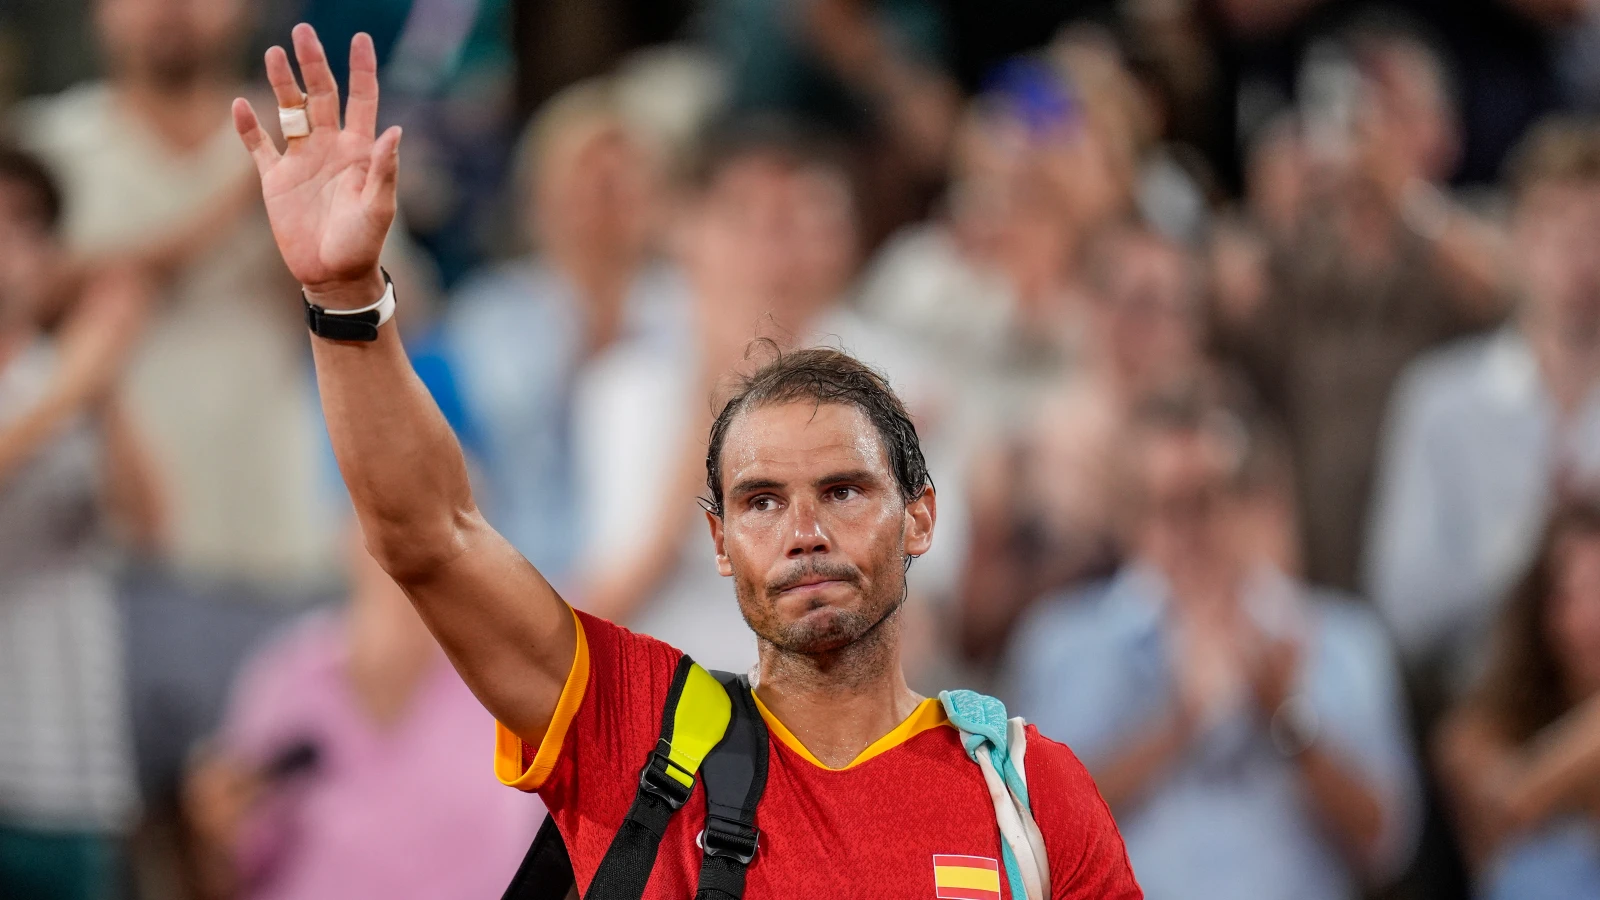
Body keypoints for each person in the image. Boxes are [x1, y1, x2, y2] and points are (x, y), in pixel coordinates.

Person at [230, 24, 1141, 898]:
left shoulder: (1027, 792)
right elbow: (430, 537)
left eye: (844, 489)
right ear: (715, 538)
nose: (805, 531)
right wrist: (346, 296)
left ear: (922, 516)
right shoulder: (633, 729)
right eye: (759, 502)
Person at [1003, 388, 1421, 900]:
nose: (1187, 534)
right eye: (1164, 508)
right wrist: (1180, 724)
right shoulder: (1064, 641)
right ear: (1128, 516)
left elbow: (1387, 843)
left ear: (1260, 503)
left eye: (1206, 502)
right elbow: (1031, 835)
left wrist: (1287, 718)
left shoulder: (1340, 638)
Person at [1212, 22, 1507, 594]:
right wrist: (1268, 211)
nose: (1367, 137)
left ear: (1445, 134)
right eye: (1353, 116)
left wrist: (1402, 194)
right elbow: (1231, 312)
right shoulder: (1299, 256)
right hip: (1312, 559)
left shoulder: (1463, 235)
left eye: (1394, 114)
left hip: (1435, 561)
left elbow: (1504, 293)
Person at [1366, 117, 1600, 697]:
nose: (1579, 259)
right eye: (1557, 230)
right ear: (1518, 239)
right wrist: (1531, 546)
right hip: (1482, 705)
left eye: (1595, 231)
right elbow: (1402, 611)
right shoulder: (1440, 399)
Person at [184, 525, 541, 900]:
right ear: (350, 544)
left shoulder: (509, 687)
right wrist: (216, 827)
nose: (414, 556)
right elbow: (232, 861)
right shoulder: (288, 676)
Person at [444, 76, 683, 583]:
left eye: (625, 177)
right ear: (539, 198)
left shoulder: (692, 312)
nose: (607, 194)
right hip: (516, 577)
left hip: (666, 579)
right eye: (588, 174)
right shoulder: (489, 316)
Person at [0, 146, 161, 900]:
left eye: (22, 224)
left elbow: (152, 527)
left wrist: (104, 383)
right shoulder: (71, 379)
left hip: (69, 771)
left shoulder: (75, 377)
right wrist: (79, 380)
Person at [1435, 498, 1600, 900]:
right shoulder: (1478, 732)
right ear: (1541, 612)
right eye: (1576, 593)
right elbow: (1504, 804)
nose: (1594, 616)